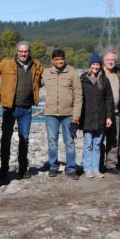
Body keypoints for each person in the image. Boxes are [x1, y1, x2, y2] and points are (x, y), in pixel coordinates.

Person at [0, 41, 44, 182]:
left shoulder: (36, 66)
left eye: (25, 51)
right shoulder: (7, 63)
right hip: (9, 108)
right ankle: (3, 169)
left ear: (29, 52)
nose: (23, 54)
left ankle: (23, 169)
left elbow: (47, 77)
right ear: (16, 51)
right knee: (6, 139)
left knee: (24, 139)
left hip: (26, 109)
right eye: (20, 51)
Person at [42, 49, 82, 180]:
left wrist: (76, 115)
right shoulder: (46, 73)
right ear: (52, 60)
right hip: (51, 114)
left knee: (69, 142)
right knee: (52, 142)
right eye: (57, 59)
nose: (60, 62)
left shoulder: (72, 73)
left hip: (68, 114)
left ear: (65, 59)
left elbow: (78, 95)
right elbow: (35, 85)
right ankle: (53, 167)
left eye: (62, 59)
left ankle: (70, 168)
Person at [80, 54, 114, 179]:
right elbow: (79, 99)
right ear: (90, 65)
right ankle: (87, 168)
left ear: (100, 66)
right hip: (87, 118)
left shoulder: (104, 80)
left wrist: (109, 117)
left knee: (97, 145)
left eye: (98, 64)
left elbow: (109, 99)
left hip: (101, 117)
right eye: (93, 64)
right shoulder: (83, 79)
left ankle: (96, 169)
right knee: (88, 144)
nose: (95, 66)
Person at [102, 50, 120, 175]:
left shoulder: (118, 73)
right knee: (99, 139)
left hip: (115, 112)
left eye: (113, 60)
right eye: (108, 60)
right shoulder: (99, 73)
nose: (111, 62)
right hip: (101, 112)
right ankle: (99, 164)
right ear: (103, 61)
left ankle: (111, 164)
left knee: (114, 140)